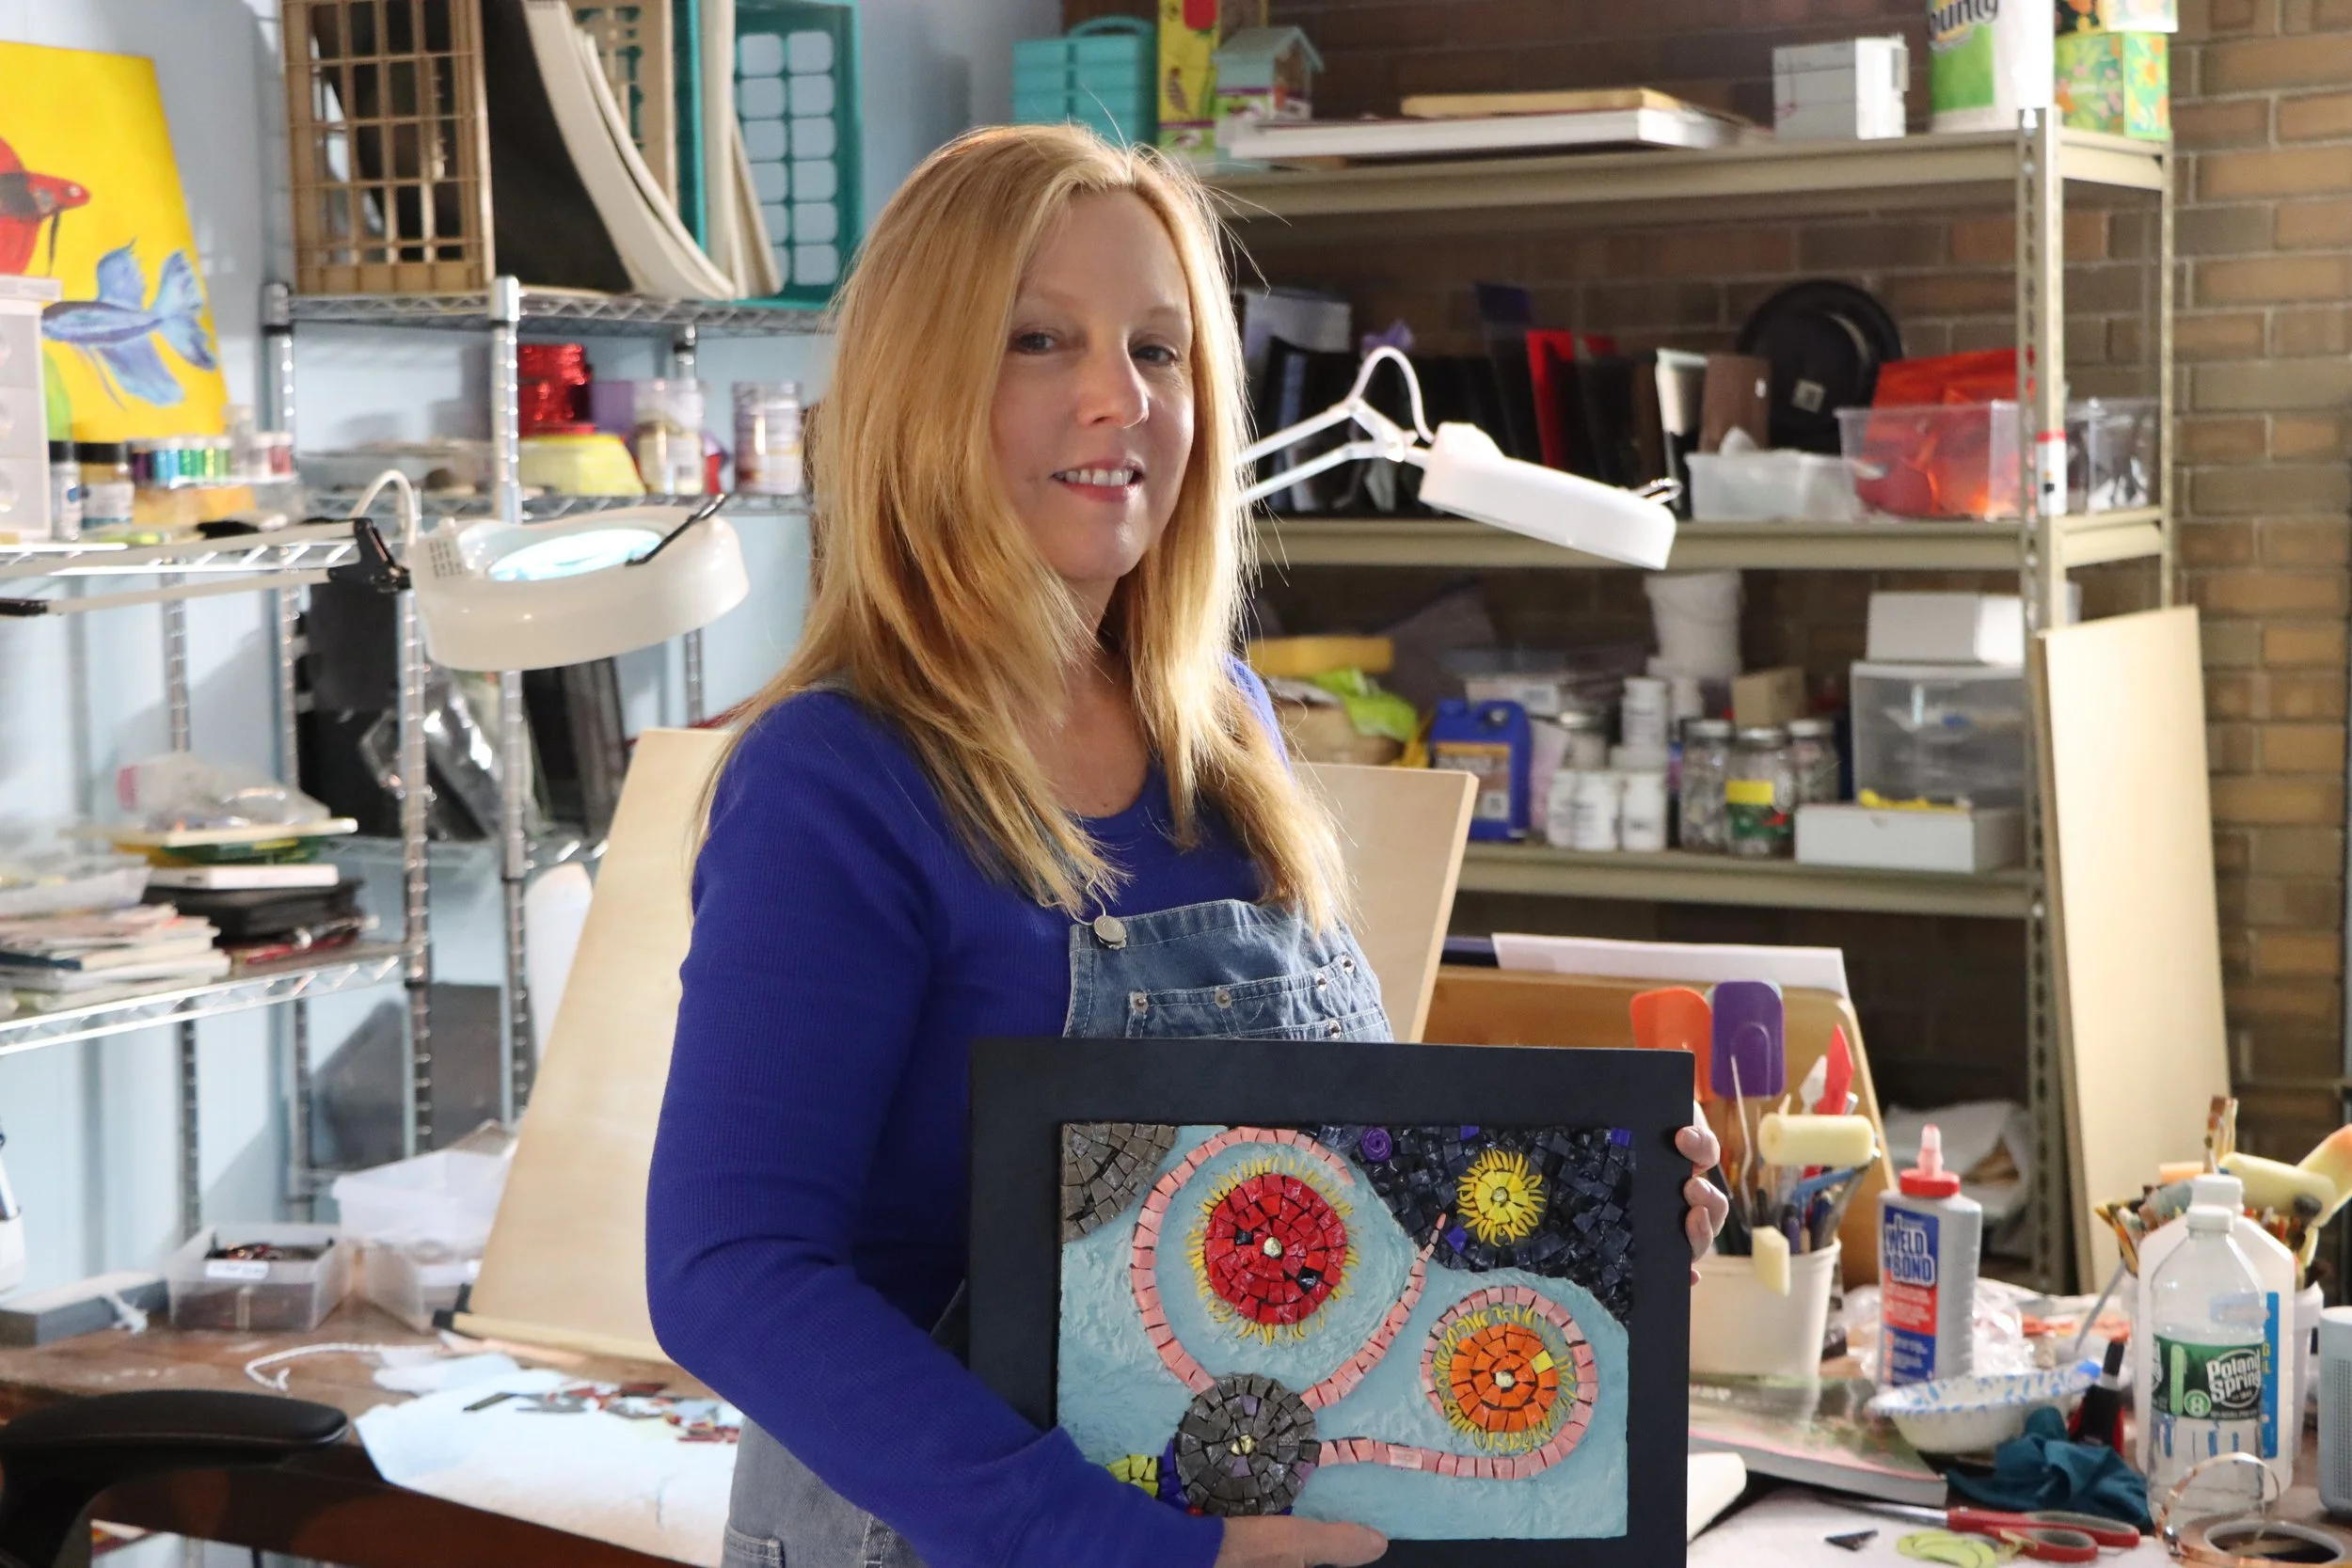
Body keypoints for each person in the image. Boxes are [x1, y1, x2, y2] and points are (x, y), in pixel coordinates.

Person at [645, 124, 1729, 1568]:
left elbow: (1332, 1169)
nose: (1119, 397)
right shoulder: (837, 780)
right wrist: (1124, 1545)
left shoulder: (1222, 731)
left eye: (1160, 352)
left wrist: (1590, 1207)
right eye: (1041, 340)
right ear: (920, 390)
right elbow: (729, 1274)